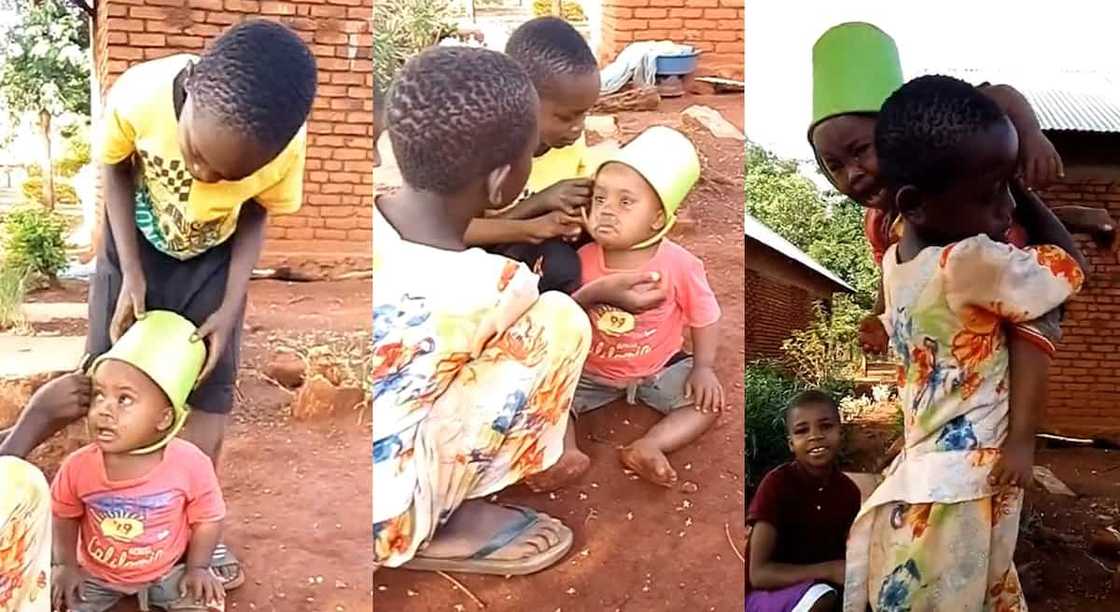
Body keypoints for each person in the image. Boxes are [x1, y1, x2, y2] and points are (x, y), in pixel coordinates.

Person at [372, 46, 663, 576]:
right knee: (561, 321)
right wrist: (593, 297)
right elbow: (544, 318)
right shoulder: (497, 284)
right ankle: (443, 519)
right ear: (501, 179)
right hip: (389, 514)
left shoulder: (367, 232)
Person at [808, 21, 1094, 481]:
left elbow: (999, 96)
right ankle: (925, 436)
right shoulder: (883, 226)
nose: (852, 174)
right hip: (962, 329)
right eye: (834, 166)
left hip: (1012, 269)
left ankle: (1022, 437)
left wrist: (1031, 137)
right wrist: (880, 318)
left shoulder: (946, 142)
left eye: (861, 150)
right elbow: (894, 278)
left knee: (1032, 330)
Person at [85, 19, 316, 585]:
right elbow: (114, 166)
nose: (204, 175)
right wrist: (130, 274)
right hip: (133, 245)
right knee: (106, 370)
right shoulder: (140, 94)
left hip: (214, 262)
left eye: (228, 174)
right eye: (197, 153)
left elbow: (256, 212)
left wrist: (232, 303)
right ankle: (100, 516)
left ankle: (192, 525)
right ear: (188, 89)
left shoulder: (284, 149)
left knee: (211, 389)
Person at [843, 75, 1084, 611]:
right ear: (917, 205)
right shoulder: (971, 261)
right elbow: (1069, 268)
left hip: (928, 468)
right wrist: (1024, 188)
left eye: (1006, 189)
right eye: (989, 192)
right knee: (960, 588)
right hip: (971, 478)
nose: (1004, 211)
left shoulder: (895, 262)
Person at [540, 126, 722, 489]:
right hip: (590, 373)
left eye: (626, 202)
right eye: (600, 199)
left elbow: (705, 316)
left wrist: (703, 367)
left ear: (658, 219)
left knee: (707, 404)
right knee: (549, 396)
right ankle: (565, 452)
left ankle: (651, 445)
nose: (607, 211)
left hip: (657, 369)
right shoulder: (580, 260)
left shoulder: (680, 264)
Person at [50, 311, 226, 611]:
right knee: (51, 601)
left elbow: (208, 518)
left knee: (205, 600)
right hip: (95, 574)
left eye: (125, 399)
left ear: (164, 418)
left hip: (166, 569)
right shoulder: (77, 467)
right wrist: (65, 565)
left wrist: (197, 567)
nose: (104, 410)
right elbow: (64, 515)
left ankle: (209, 563)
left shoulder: (191, 464)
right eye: (99, 395)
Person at [464, 16, 603, 294]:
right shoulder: (482, 149)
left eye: (585, 113)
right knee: (560, 267)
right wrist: (538, 207)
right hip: (492, 254)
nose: (578, 127)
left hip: (548, 237)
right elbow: (460, 232)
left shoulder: (568, 140)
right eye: (566, 117)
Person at [746, 391, 860, 612]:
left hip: (821, 589)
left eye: (826, 426)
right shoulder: (777, 485)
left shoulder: (848, 492)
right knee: (821, 597)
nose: (815, 436)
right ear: (791, 444)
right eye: (802, 431)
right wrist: (828, 570)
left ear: (841, 433)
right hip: (767, 596)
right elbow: (758, 575)